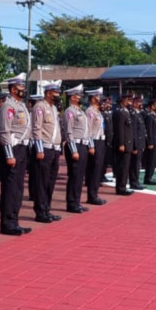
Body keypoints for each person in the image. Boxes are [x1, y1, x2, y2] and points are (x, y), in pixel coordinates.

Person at [0, 74, 32, 235]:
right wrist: (9, 155)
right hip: (13, 148)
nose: (23, 90)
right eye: (20, 88)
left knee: (18, 187)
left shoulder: (21, 105)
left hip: (22, 149)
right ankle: (7, 223)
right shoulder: (8, 106)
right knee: (10, 188)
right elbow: (5, 131)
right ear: (13, 89)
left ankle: (14, 220)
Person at [30, 81, 63, 223]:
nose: (58, 95)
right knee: (41, 182)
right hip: (44, 148)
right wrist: (39, 148)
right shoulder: (40, 106)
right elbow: (36, 128)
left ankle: (47, 208)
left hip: (54, 149)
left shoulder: (54, 108)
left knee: (50, 181)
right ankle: (40, 211)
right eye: (56, 93)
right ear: (49, 93)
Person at [63, 84, 91, 213]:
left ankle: (77, 201)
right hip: (75, 146)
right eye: (79, 95)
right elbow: (69, 132)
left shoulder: (80, 111)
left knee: (80, 176)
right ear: (73, 97)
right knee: (74, 176)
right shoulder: (70, 111)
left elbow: (86, 130)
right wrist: (73, 150)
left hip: (83, 145)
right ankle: (72, 203)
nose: (81, 97)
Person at [84, 88, 108, 205]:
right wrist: (91, 145)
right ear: (93, 99)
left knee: (98, 169)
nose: (100, 99)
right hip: (94, 141)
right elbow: (88, 130)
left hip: (100, 141)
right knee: (94, 169)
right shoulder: (90, 111)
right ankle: (92, 196)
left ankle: (95, 194)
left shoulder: (97, 111)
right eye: (98, 97)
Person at [112, 92, 134, 196]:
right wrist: (121, 143)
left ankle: (123, 186)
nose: (129, 102)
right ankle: (121, 188)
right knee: (122, 167)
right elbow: (120, 129)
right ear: (122, 101)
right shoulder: (120, 112)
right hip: (123, 144)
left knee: (125, 167)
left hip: (127, 143)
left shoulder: (126, 111)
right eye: (127, 100)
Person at [129, 96, 147, 190]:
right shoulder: (133, 114)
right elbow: (134, 131)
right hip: (136, 143)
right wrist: (135, 146)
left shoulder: (138, 114)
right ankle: (133, 182)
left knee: (137, 164)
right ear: (134, 103)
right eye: (139, 102)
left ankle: (136, 181)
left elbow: (142, 130)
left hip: (140, 143)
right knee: (134, 164)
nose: (141, 104)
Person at [142, 99, 156, 186]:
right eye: (155, 105)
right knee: (151, 161)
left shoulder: (154, 115)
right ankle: (148, 178)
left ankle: (150, 177)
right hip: (152, 142)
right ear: (150, 106)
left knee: (154, 161)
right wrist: (150, 142)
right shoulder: (149, 116)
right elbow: (149, 131)